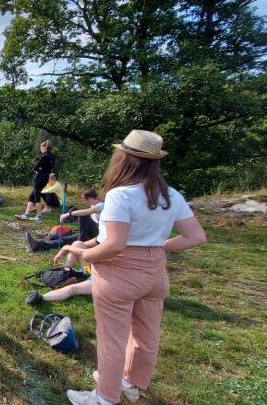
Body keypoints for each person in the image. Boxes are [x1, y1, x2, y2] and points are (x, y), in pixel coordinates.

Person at [64, 130, 206, 405]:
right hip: (155, 273)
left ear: (124, 159)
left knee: (112, 339)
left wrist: (87, 256)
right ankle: (131, 383)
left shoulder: (121, 195)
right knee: (147, 334)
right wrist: (159, 247)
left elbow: (115, 244)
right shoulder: (171, 195)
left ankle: (105, 397)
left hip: (119, 272)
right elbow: (196, 237)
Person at [26, 188, 103, 252]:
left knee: (83, 216)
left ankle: (80, 243)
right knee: (64, 240)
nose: (83, 202)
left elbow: (87, 212)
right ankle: (38, 245)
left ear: (89, 199)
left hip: (99, 235)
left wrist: (69, 214)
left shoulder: (101, 205)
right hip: (91, 232)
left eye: (84, 200)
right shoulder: (93, 204)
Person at [19, 140, 56, 221]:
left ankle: (39, 216)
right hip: (46, 178)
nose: (40, 149)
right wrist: (41, 169)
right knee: (31, 196)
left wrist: (39, 169)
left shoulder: (44, 156)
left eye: (41, 147)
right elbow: (49, 167)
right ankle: (26, 214)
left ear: (44, 147)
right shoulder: (52, 156)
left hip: (39, 179)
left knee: (37, 197)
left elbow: (36, 167)